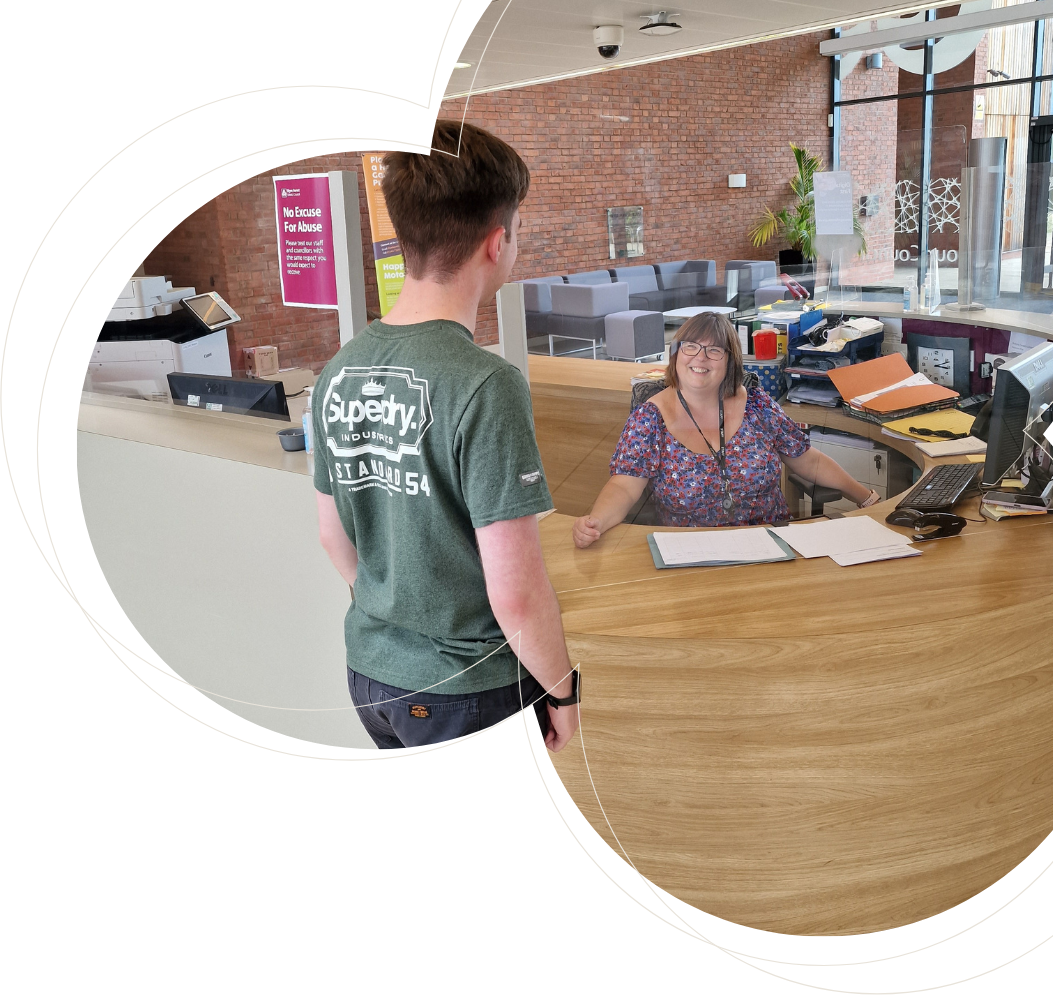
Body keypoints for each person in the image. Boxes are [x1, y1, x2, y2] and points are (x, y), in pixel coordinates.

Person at [312, 119, 579, 752]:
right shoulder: (486, 383)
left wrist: (401, 622)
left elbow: (332, 536)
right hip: (467, 691)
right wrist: (563, 690)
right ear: (497, 243)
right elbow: (516, 591)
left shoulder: (338, 369)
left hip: (371, 676)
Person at [573, 311, 879, 547]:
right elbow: (623, 487)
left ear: (729, 361)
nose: (700, 358)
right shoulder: (649, 420)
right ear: (676, 353)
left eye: (714, 351)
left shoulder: (757, 405)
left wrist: (866, 498)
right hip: (691, 554)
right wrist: (595, 523)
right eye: (690, 347)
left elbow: (807, 459)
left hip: (770, 546)